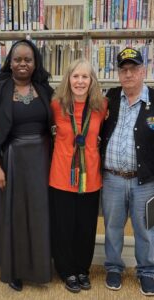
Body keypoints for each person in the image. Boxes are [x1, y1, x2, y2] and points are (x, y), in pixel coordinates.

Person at [0, 39, 53, 291]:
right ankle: (15, 270)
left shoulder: (45, 89)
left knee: (39, 215)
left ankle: (41, 266)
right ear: (9, 62)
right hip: (10, 161)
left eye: (28, 59)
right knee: (15, 217)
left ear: (35, 63)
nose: (23, 64)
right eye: (18, 59)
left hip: (42, 161)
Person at [49, 58, 107, 293]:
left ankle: (83, 269)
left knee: (86, 227)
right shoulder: (56, 106)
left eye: (85, 77)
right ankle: (66, 270)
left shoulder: (101, 106)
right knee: (63, 227)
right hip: (61, 177)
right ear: (68, 79)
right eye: (76, 76)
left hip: (90, 179)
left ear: (92, 80)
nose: (80, 81)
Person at [101, 47, 154, 296]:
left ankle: (147, 271)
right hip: (112, 178)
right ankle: (113, 267)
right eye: (124, 70)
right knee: (113, 226)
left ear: (144, 71)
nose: (129, 74)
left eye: (134, 69)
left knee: (146, 228)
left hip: (145, 181)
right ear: (118, 73)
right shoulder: (109, 98)